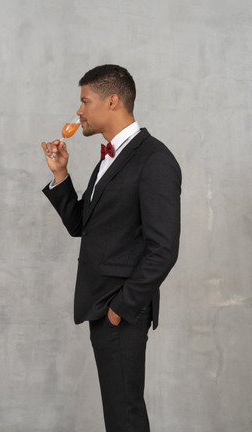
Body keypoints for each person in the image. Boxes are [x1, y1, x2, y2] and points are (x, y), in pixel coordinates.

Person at [41, 64, 181, 432]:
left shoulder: (155, 160)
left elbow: (164, 249)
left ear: (113, 101)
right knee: (120, 414)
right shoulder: (109, 158)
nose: (80, 111)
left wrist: (121, 308)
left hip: (120, 309)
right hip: (102, 305)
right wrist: (60, 176)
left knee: (124, 415)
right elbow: (83, 226)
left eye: (85, 101)